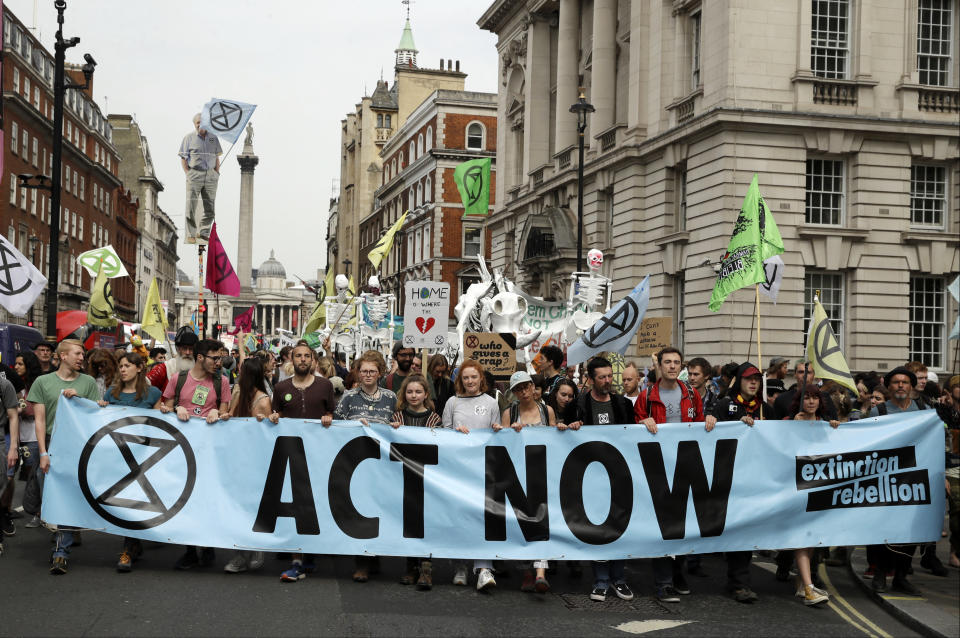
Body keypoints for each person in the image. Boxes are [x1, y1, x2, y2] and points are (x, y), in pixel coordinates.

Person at [634, 347, 712, 603]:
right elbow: (631, 432)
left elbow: (701, 424)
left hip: (685, 467)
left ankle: (677, 573)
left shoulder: (691, 394)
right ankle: (664, 582)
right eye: (667, 362)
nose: (672, 366)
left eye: (676, 362)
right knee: (663, 525)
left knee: (682, 525)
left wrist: (709, 420)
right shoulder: (645, 397)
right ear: (660, 365)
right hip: (658, 468)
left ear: (682, 366)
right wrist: (641, 423)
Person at [28, 340, 101, 574]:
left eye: (83, 354)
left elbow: (95, 414)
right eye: (78, 353)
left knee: (65, 496)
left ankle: (61, 552)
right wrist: (42, 452)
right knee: (44, 494)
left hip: (76, 445)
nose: (82, 358)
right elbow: (39, 420)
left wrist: (81, 399)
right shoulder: (43, 382)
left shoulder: (88, 383)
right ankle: (68, 530)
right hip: (50, 442)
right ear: (62, 356)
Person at [159, 338, 231, 570]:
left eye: (220, 358)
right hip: (181, 451)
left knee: (207, 500)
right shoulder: (178, 379)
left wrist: (217, 415)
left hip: (209, 452)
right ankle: (189, 550)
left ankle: (208, 547)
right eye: (215, 358)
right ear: (200, 357)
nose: (219, 362)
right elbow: (164, 408)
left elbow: (225, 412)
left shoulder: (223, 382)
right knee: (184, 499)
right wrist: (175, 408)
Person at [575, 356, 636, 603]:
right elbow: (564, 428)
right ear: (590, 379)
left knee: (620, 527)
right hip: (591, 477)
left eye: (610, 376)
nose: (608, 381)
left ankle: (618, 579)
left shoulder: (622, 404)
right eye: (602, 377)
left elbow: (632, 435)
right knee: (598, 530)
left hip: (619, 476)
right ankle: (601, 580)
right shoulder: (580, 404)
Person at [273, 342, 335, 583]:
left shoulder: (325, 386)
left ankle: (309, 554)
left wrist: (330, 419)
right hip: (290, 456)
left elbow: (332, 414)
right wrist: (272, 417)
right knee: (295, 507)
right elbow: (274, 417)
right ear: (291, 359)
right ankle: (296, 562)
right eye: (298, 356)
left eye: (306, 356)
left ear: (313, 360)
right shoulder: (280, 388)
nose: (302, 360)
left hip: (318, 456)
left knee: (314, 504)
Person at [334, 350, 397, 582]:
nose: (368, 375)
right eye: (363, 371)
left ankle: (375, 555)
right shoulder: (349, 397)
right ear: (358, 374)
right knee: (360, 513)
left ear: (380, 373)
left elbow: (397, 423)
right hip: (355, 465)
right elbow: (337, 426)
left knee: (379, 511)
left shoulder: (390, 397)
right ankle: (362, 561)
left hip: (382, 465)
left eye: (372, 371)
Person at [97, 352, 163, 573]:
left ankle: (129, 547)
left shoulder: (152, 394)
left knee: (135, 501)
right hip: (118, 456)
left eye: (127, 366)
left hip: (144, 456)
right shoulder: (111, 393)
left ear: (139, 368)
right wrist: (100, 409)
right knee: (123, 502)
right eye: (121, 366)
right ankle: (133, 544)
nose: (122, 369)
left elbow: (160, 426)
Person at [442, 360, 501, 591]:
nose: (469, 381)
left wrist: (498, 430)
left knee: (483, 516)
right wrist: (455, 433)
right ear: (460, 380)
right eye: (465, 378)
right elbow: (444, 434)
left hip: (484, 468)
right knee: (460, 517)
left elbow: (498, 432)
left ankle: (484, 567)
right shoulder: (452, 402)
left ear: (480, 379)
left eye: (473, 377)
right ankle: (460, 566)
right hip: (458, 469)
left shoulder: (491, 402)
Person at [711, 361, 766, 603]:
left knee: (748, 532)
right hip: (731, 477)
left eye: (757, 379)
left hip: (757, 479)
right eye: (748, 379)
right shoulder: (726, 405)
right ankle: (739, 582)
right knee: (737, 531)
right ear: (739, 381)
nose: (753, 383)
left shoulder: (766, 409)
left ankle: (739, 580)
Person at [500, 370, 555, 593]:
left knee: (542, 520)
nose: (523, 392)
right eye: (518, 389)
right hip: (517, 474)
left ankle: (541, 571)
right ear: (513, 393)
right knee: (521, 521)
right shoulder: (509, 412)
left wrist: (560, 428)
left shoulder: (546, 410)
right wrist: (509, 432)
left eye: (526, 387)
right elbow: (501, 444)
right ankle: (526, 573)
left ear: (533, 387)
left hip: (541, 472)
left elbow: (554, 440)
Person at [779, 384, 833, 606]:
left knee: (810, 538)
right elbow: (780, 448)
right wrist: (793, 428)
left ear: (820, 401)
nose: (811, 402)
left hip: (819, 486)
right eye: (806, 398)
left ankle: (802, 583)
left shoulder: (827, 424)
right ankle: (809, 588)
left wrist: (836, 428)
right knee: (803, 537)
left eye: (815, 398)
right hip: (797, 485)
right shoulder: (788, 422)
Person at [389, 374, 441, 590]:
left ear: (426, 394)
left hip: (427, 479)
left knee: (426, 522)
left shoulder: (434, 420)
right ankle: (410, 565)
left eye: (418, 391)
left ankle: (426, 568)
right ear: (404, 394)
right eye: (409, 391)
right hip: (404, 477)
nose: (413, 395)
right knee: (408, 522)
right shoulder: (397, 417)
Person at [10, 352, 43, 529]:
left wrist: (20, 409)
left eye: (20, 364)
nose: (16, 367)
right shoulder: (15, 385)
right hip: (17, 436)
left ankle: (39, 513)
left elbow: (33, 410)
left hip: (33, 437)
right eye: (15, 364)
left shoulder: (35, 384)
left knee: (35, 476)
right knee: (11, 474)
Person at [179, 112, 222, 244]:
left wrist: (216, 173)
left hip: (210, 175)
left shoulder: (213, 138)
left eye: (202, 122)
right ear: (194, 124)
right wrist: (188, 172)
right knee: (191, 205)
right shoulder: (188, 138)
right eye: (197, 123)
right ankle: (191, 233)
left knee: (210, 207)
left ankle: (204, 232)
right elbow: (183, 157)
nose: (200, 125)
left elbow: (217, 157)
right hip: (195, 173)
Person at [0, 373, 21, 539]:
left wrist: (13, 447)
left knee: (4, 481)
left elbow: (13, 416)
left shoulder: (4, 385)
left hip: (1, 439)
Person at [147, 327, 199, 391]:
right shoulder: (166, 367)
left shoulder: (201, 368)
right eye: (184, 348)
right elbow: (144, 384)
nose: (187, 352)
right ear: (179, 349)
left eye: (191, 349)